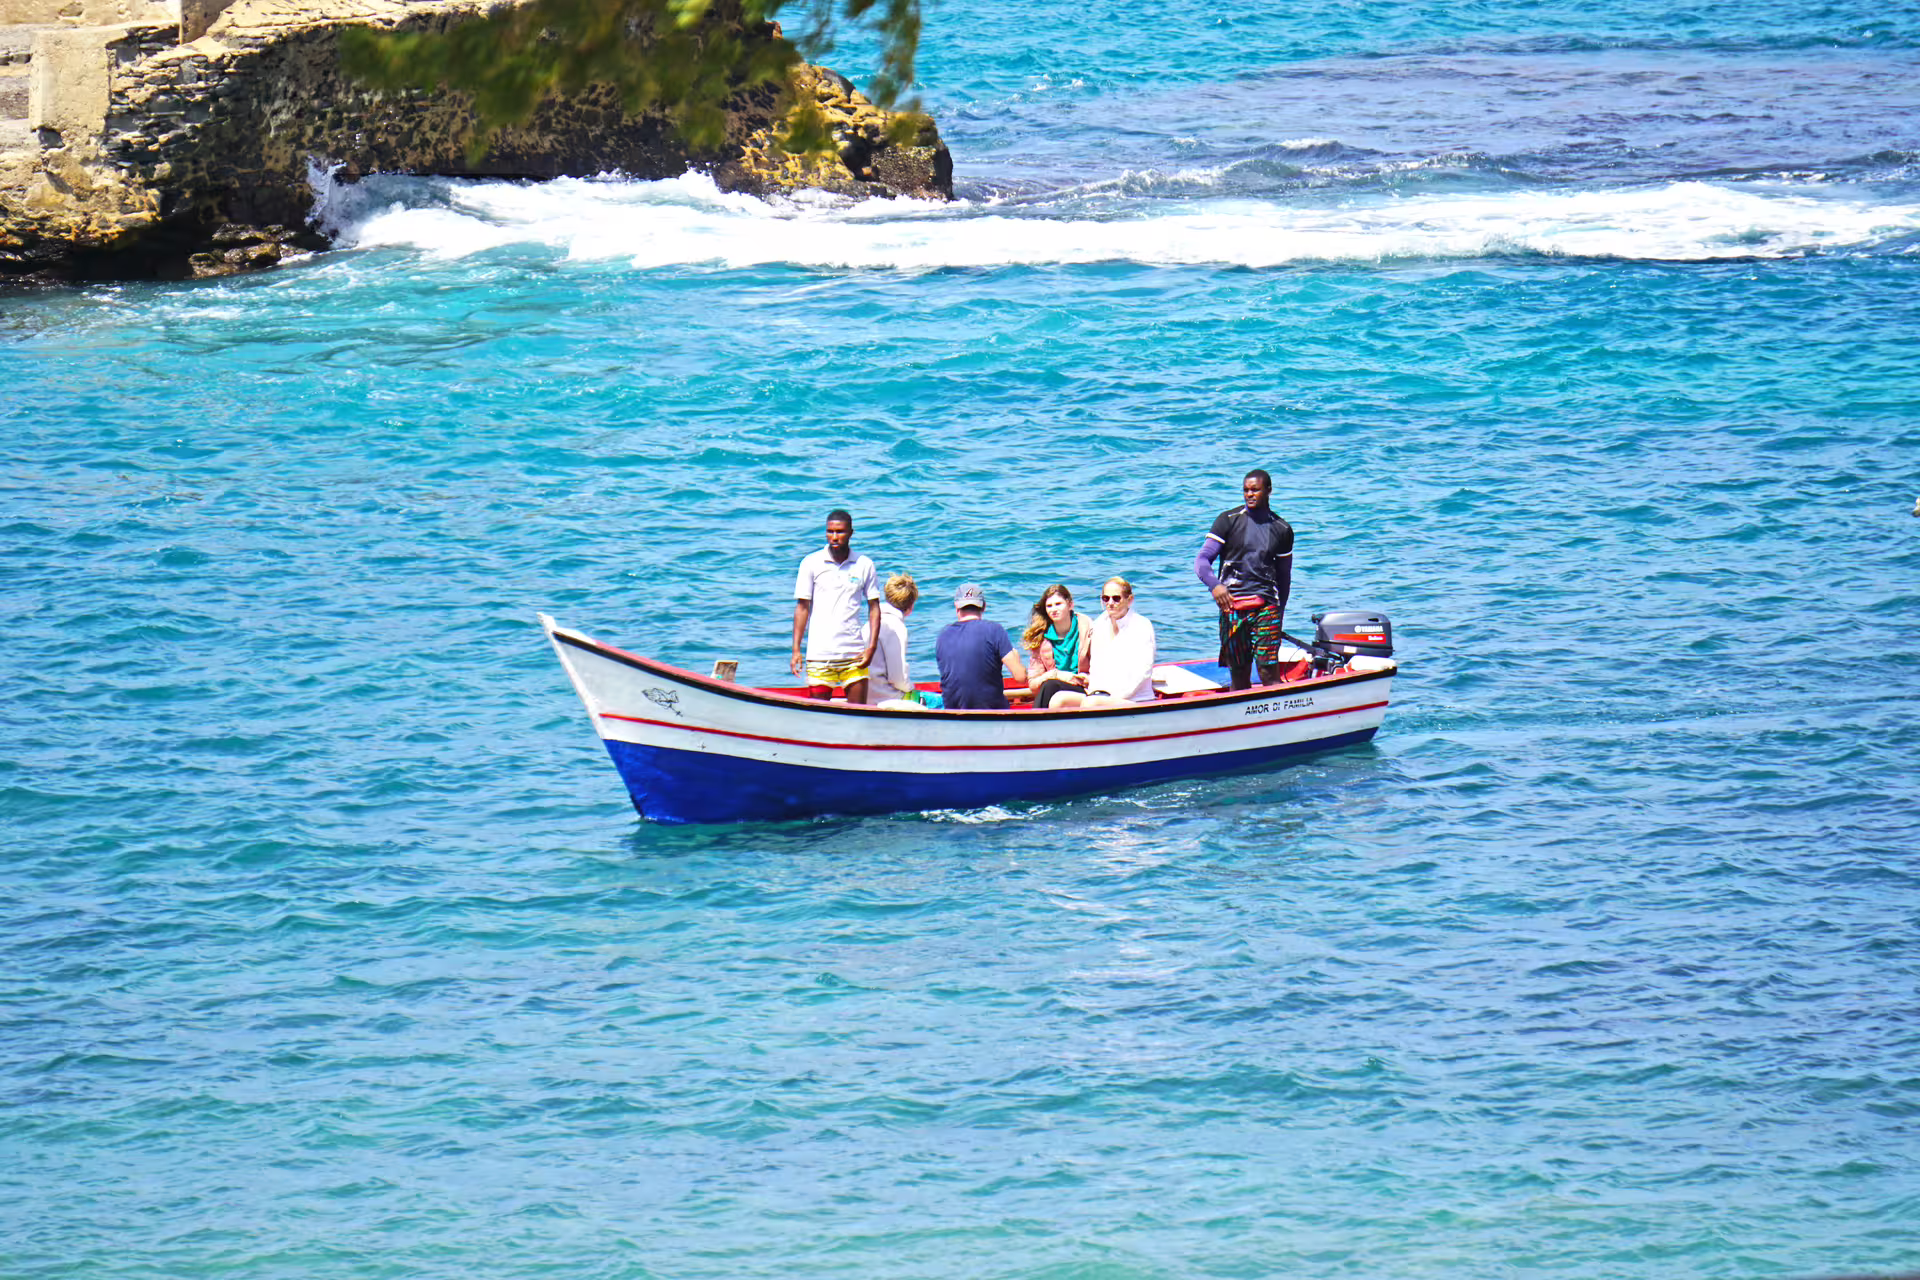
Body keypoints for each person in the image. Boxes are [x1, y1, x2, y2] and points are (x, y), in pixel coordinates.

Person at [1195, 468, 1294, 689]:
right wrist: (1215, 586)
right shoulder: (1227, 521)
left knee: (1268, 670)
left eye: (1255, 490)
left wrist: (1280, 612)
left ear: (1269, 491)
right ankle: (1243, 719)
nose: (1250, 494)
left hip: (1266, 607)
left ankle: (1276, 718)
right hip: (1232, 606)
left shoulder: (1282, 529)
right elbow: (1202, 561)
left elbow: (1283, 577)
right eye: (1246, 490)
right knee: (1239, 673)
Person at [791, 508, 881, 702]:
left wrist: (871, 647)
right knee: (819, 718)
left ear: (850, 533)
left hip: (854, 655)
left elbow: (874, 607)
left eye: (840, 532)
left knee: (858, 716)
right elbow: (802, 608)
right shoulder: (811, 563)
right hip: (819, 654)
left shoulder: (864, 564)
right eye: (830, 531)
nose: (834, 537)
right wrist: (796, 650)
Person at [1062, 576, 1155, 709]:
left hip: (1134, 698)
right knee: (1059, 699)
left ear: (1130, 600)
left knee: (1091, 703)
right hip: (1101, 695)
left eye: (1116, 598)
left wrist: (1110, 697)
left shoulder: (1141, 626)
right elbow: (1097, 667)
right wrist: (1094, 691)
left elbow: (1142, 673)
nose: (1110, 603)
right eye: (1106, 598)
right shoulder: (1099, 624)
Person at [935, 583, 1027, 710]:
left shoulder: (942, 636)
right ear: (984, 606)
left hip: (953, 714)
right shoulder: (995, 630)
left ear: (957, 607)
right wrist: (1016, 658)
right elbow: (1020, 677)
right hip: (991, 713)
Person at [1019, 583, 1092, 709]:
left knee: (1050, 686)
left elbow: (1102, 670)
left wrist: (1083, 678)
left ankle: (1034, 723)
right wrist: (1054, 674)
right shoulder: (1041, 638)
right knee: (1050, 685)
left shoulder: (1088, 630)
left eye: (1058, 604)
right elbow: (1033, 684)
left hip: (1085, 689)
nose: (1053, 609)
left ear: (1070, 605)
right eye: (1049, 606)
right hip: (1053, 688)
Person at [862, 572, 920, 705]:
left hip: (865, 694)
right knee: (936, 702)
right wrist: (911, 688)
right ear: (910, 607)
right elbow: (897, 678)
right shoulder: (896, 627)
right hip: (886, 698)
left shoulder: (869, 624)